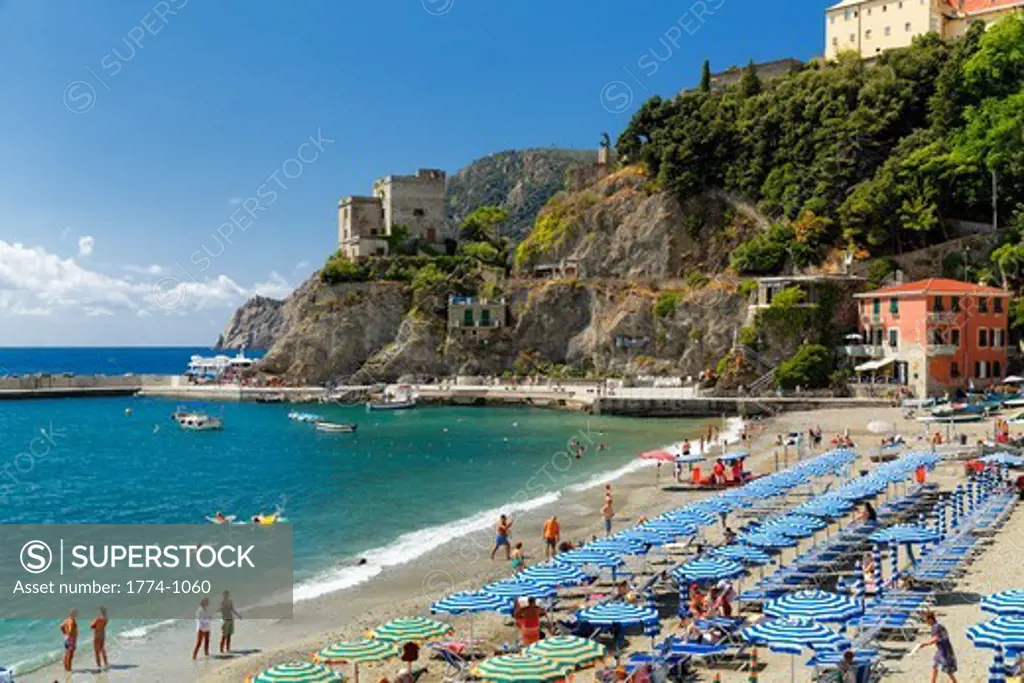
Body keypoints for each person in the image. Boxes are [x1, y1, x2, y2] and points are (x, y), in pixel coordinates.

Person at [918, 611, 958, 683]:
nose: (926, 622)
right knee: (935, 665)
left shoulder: (936, 627)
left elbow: (935, 639)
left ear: (930, 619)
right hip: (940, 650)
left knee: (948, 670)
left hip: (945, 651)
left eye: (926, 620)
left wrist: (924, 644)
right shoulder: (936, 626)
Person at [90, 606, 108, 670]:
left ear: (100, 611)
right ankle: (106, 664)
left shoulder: (98, 618)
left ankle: (99, 666)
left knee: (96, 652)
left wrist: (92, 623)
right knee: (102, 650)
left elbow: (91, 625)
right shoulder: (106, 619)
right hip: (102, 635)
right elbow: (103, 625)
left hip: (97, 636)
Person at [60, 608, 78, 673]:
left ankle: (66, 668)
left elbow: (61, 626)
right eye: (75, 613)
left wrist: (65, 633)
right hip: (71, 639)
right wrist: (70, 634)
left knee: (66, 654)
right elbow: (70, 630)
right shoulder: (72, 621)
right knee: (70, 655)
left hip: (66, 638)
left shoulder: (67, 620)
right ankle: (69, 670)